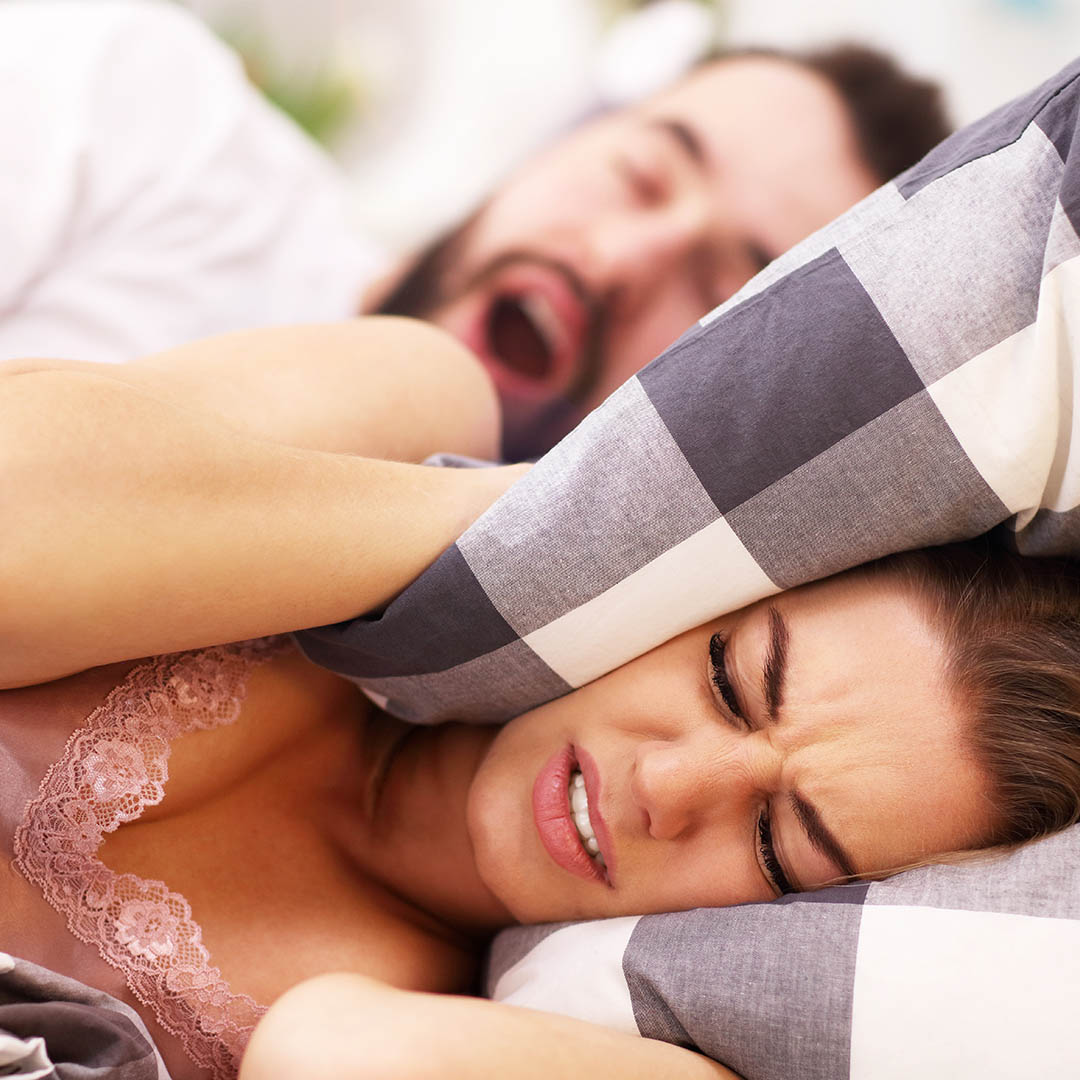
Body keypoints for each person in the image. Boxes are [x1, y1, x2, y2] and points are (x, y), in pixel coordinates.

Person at [2, 320, 1079, 1080]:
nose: (668, 783)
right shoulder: (404, 414)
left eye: (776, 842)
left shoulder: (461, 1037)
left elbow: (340, 1061)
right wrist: (583, 527)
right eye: (728, 680)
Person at [0, 1, 950, 460]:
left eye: (720, 295)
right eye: (642, 172)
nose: (621, 259)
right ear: (561, 138)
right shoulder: (140, 110)